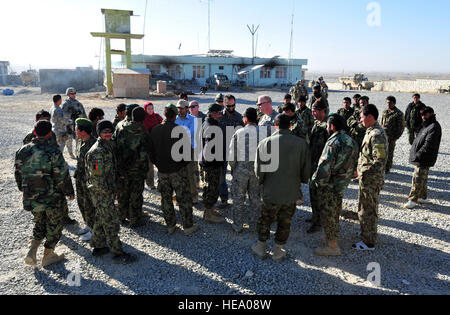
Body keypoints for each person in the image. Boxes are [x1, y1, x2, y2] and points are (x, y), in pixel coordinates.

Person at [15, 120, 75, 267]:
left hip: (31, 195)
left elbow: (18, 173)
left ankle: (32, 251)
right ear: (50, 134)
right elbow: (62, 175)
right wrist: (69, 191)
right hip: (51, 197)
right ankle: (48, 255)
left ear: (34, 132)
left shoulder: (22, 150)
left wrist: (24, 190)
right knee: (54, 224)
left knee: (39, 222)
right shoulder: (53, 151)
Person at [252, 114, 310, 262]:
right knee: (285, 221)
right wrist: (300, 181)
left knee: (265, 219)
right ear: (290, 125)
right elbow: (305, 170)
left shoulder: (265, 143)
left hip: (271, 190)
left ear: (275, 126)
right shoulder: (301, 144)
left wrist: (263, 182)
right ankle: (278, 250)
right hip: (291, 191)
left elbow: (259, 171)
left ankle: (261, 247)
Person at [86, 120, 137, 263]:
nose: (108, 134)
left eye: (110, 131)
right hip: (102, 192)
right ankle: (118, 252)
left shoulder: (108, 146)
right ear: (99, 133)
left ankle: (98, 246)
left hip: (106, 190)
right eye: (104, 132)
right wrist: (108, 193)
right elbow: (97, 179)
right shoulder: (97, 152)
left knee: (100, 218)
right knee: (111, 222)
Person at [311, 114, 359, 256]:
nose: (326, 128)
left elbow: (324, 167)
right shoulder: (351, 140)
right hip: (341, 184)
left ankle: (332, 246)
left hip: (329, 185)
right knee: (335, 211)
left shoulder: (333, 143)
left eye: (327, 125)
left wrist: (316, 182)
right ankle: (332, 237)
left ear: (332, 126)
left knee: (328, 214)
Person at [149, 103, 200, 236]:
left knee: (166, 199)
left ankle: (170, 225)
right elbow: (188, 154)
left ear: (165, 114)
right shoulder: (180, 131)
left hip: (162, 172)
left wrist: (159, 165)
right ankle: (188, 226)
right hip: (178, 171)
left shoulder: (155, 130)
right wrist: (181, 165)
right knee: (183, 198)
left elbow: (151, 153)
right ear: (175, 115)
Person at [23, 110, 75, 225]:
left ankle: (64, 218)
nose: (46, 122)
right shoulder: (30, 137)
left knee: (60, 197)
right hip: (37, 174)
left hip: (53, 172)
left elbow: (56, 149)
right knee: (38, 201)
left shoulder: (50, 134)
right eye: (43, 120)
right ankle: (43, 223)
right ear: (37, 121)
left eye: (47, 120)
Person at [354, 104, 388, 251]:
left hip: (371, 179)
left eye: (362, 117)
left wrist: (364, 173)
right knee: (364, 207)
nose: (360, 120)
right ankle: (366, 233)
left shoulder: (377, 134)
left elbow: (379, 161)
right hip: (366, 178)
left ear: (369, 117)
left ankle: (368, 242)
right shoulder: (370, 131)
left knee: (369, 209)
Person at [113, 107, 150, 228]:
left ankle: (121, 216)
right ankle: (135, 219)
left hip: (122, 167)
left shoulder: (119, 125)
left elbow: (114, 145)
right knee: (136, 194)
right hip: (137, 169)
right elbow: (144, 151)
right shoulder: (141, 129)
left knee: (123, 192)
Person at [229, 108, 263, 233]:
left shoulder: (239, 133)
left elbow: (232, 155)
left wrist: (233, 168)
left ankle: (238, 225)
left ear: (246, 119)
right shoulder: (263, 133)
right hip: (257, 171)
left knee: (238, 198)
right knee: (255, 199)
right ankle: (254, 225)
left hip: (241, 170)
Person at [404, 106, 441, 209]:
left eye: (425, 114)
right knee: (422, 178)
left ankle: (412, 199)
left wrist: (417, 155)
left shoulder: (434, 126)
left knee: (417, 179)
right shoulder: (426, 125)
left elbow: (428, 145)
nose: (423, 116)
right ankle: (422, 197)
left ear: (431, 113)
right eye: (422, 114)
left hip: (424, 158)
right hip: (422, 157)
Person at [200, 103, 227, 223]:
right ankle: (208, 214)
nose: (221, 115)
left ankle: (209, 210)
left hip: (209, 163)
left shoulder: (207, 123)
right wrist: (216, 163)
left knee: (210, 188)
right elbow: (209, 148)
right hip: (211, 164)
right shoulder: (211, 127)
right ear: (212, 114)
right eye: (219, 113)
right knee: (211, 189)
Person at [307, 100, 330, 234]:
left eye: (315, 111)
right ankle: (315, 217)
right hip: (313, 164)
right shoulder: (317, 123)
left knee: (319, 195)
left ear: (322, 111)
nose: (313, 113)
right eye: (312, 111)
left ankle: (318, 222)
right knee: (312, 193)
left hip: (321, 167)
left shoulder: (328, 125)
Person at [218, 94, 245, 208]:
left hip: (236, 152)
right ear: (224, 104)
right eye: (229, 106)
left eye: (233, 105)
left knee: (237, 177)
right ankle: (224, 199)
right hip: (222, 151)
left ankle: (238, 199)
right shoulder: (219, 117)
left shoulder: (239, 117)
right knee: (221, 177)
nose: (231, 108)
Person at [74, 118, 97, 241]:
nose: (75, 130)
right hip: (80, 178)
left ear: (83, 131)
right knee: (82, 203)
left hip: (88, 180)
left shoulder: (93, 144)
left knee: (90, 205)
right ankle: (88, 224)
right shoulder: (80, 141)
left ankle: (94, 231)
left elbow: (96, 167)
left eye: (77, 128)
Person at [175, 100, 198, 204]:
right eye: (178, 108)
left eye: (182, 108)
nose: (180, 110)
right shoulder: (175, 120)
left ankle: (194, 195)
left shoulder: (194, 120)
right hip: (178, 149)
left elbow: (192, 134)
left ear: (187, 108)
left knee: (190, 173)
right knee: (178, 173)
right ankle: (180, 194)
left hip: (190, 149)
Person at [381, 96, 406, 173]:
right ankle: (382, 166)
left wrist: (396, 137)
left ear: (394, 103)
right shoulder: (385, 112)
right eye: (387, 102)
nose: (388, 104)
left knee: (390, 152)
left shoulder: (398, 113)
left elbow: (401, 127)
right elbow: (382, 123)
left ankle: (387, 167)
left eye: (390, 103)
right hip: (383, 136)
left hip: (392, 137)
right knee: (382, 151)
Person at [62, 87, 87, 159]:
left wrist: (86, 121)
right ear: (68, 94)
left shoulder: (78, 103)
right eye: (71, 93)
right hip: (69, 124)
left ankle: (78, 152)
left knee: (78, 139)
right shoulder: (66, 104)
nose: (73, 95)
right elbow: (63, 114)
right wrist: (72, 114)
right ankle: (70, 153)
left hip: (78, 124)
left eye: (74, 93)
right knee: (69, 140)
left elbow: (83, 113)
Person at [143, 102, 163, 189]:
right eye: (148, 109)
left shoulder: (157, 117)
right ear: (145, 109)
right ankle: (150, 183)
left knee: (160, 165)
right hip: (148, 146)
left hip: (158, 145)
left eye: (152, 108)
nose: (151, 110)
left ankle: (161, 183)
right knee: (149, 166)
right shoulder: (143, 119)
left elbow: (163, 125)